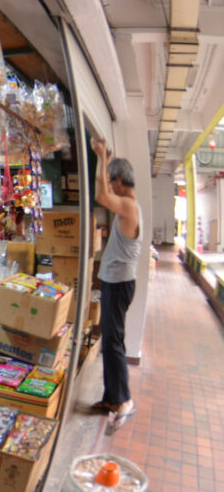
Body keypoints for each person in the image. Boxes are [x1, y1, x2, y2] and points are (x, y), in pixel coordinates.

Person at [90, 138, 141, 432]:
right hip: (117, 283)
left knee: (113, 343)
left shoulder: (128, 206)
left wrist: (101, 158)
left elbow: (100, 194)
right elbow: (104, 193)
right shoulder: (126, 206)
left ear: (120, 181)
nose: (109, 185)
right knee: (110, 342)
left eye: (112, 180)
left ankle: (124, 401)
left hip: (119, 284)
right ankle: (111, 397)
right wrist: (106, 160)